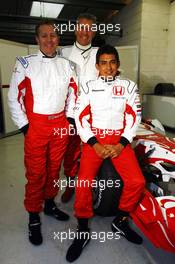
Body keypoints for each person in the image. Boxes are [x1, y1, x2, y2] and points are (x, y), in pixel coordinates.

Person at [66, 45, 145, 262]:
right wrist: (94, 143)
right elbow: (80, 117)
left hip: (120, 140)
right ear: (97, 66)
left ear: (118, 64)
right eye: (103, 63)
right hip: (94, 141)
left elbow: (134, 117)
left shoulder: (129, 86)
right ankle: (83, 230)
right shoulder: (89, 86)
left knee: (137, 181)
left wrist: (121, 144)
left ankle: (120, 221)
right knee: (83, 184)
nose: (108, 67)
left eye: (112, 62)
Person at [8, 19, 77, 246]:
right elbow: (14, 97)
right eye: (44, 36)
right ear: (37, 39)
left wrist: (68, 118)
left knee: (54, 170)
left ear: (58, 39)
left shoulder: (68, 65)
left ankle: (49, 204)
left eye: (53, 35)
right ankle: (33, 215)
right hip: (36, 126)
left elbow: (74, 94)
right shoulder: (25, 64)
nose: (49, 40)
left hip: (59, 125)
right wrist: (25, 125)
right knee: (36, 173)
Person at [59, 13, 98, 203]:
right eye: (82, 27)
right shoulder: (64, 53)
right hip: (71, 113)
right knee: (70, 152)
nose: (85, 32)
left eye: (89, 28)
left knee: (93, 151)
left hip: (94, 114)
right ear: (76, 29)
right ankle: (70, 184)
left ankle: (90, 186)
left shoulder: (101, 53)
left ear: (94, 31)